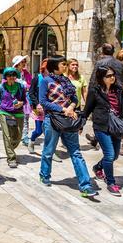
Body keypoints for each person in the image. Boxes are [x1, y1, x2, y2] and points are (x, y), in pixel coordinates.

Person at [39, 56, 98, 198]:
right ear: (55, 66)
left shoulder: (67, 81)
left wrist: (71, 107)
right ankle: (44, 174)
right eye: (63, 64)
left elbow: (75, 99)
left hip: (68, 120)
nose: (65, 66)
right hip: (52, 120)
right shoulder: (46, 81)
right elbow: (43, 101)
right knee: (49, 150)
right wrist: (62, 109)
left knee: (76, 152)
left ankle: (85, 185)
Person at [85, 66, 123, 196]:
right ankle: (111, 182)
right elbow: (87, 109)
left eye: (113, 75)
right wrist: (80, 124)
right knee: (110, 155)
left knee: (114, 155)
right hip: (101, 126)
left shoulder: (118, 90)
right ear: (101, 78)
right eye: (109, 76)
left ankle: (98, 167)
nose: (112, 77)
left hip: (116, 127)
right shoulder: (95, 91)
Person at [0, 67, 27, 168]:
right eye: (9, 75)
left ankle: (9, 148)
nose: (11, 77)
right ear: (6, 77)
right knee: (7, 136)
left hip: (18, 114)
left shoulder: (21, 87)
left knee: (18, 137)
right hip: (4, 112)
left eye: (13, 75)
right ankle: (11, 158)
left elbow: (25, 100)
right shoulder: (1, 87)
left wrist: (21, 103)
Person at [27, 59, 48, 152]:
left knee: (48, 131)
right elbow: (31, 93)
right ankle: (31, 141)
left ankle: (49, 150)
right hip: (37, 108)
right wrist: (37, 104)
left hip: (48, 109)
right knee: (39, 130)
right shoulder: (36, 78)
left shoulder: (53, 79)